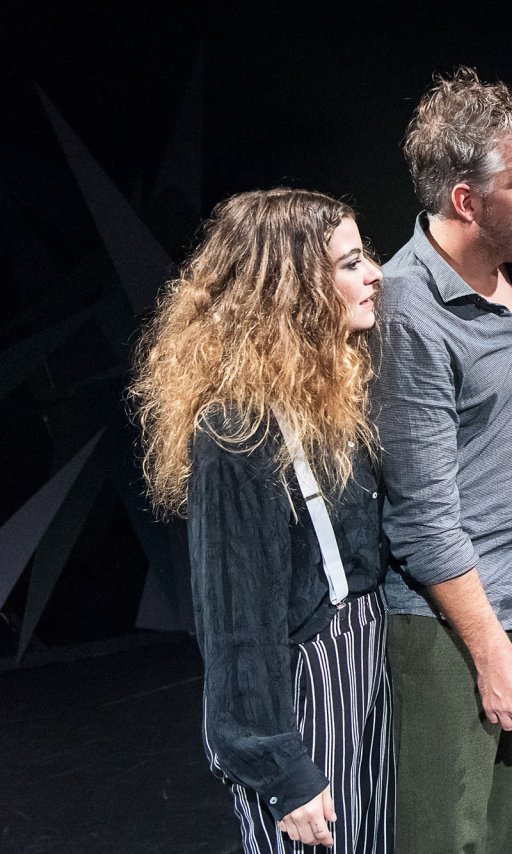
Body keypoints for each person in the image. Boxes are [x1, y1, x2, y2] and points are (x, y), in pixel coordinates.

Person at [130, 188, 393, 852]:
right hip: (304, 691)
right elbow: (235, 615)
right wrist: (281, 769)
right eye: (350, 264)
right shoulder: (237, 428)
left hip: (365, 666)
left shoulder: (331, 394)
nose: (374, 275)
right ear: (292, 289)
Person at [372, 68, 512, 854]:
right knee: (449, 839)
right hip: (454, 630)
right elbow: (420, 515)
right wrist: (491, 653)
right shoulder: (407, 310)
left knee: (508, 835)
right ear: (466, 201)